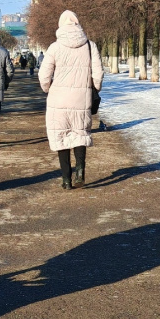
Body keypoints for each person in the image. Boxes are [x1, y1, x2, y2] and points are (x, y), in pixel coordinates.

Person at [40, 10, 103, 189]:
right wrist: (92, 89)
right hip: (81, 100)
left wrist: (48, 89)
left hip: (57, 100)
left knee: (61, 137)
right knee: (80, 134)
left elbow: (44, 75)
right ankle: (80, 171)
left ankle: (66, 180)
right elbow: (98, 75)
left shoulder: (54, 47)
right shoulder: (90, 46)